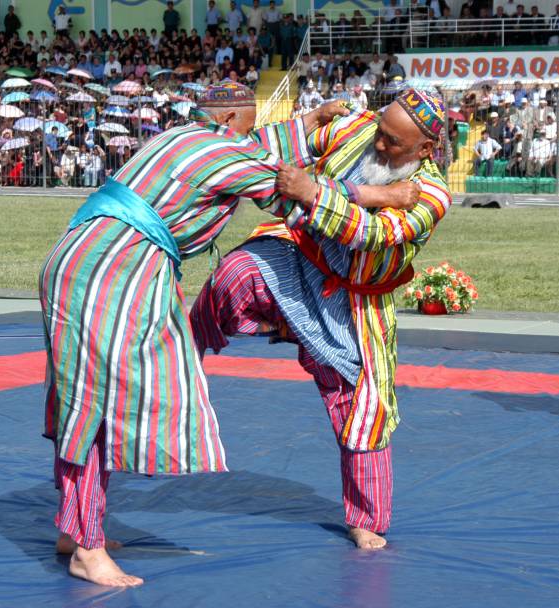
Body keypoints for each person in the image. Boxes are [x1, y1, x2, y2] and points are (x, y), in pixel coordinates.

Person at [40, 84, 351, 587]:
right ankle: (85, 547)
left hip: (89, 258)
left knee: (82, 396)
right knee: (95, 404)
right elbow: (289, 187)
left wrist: (314, 118)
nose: (250, 136)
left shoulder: (187, 137)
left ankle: (74, 530)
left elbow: (258, 147)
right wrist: (387, 198)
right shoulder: (224, 149)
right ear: (230, 118)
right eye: (246, 126)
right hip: (113, 269)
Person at [189, 89, 452, 551]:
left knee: (363, 404)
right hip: (298, 252)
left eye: (393, 142)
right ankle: (188, 350)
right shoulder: (357, 128)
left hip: (355, 300)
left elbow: (370, 234)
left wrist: (313, 192)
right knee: (233, 276)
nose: (380, 145)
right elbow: (275, 150)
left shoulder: (431, 194)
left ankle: (367, 519)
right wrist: (310, 117)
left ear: (425, 149)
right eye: (381, 132)